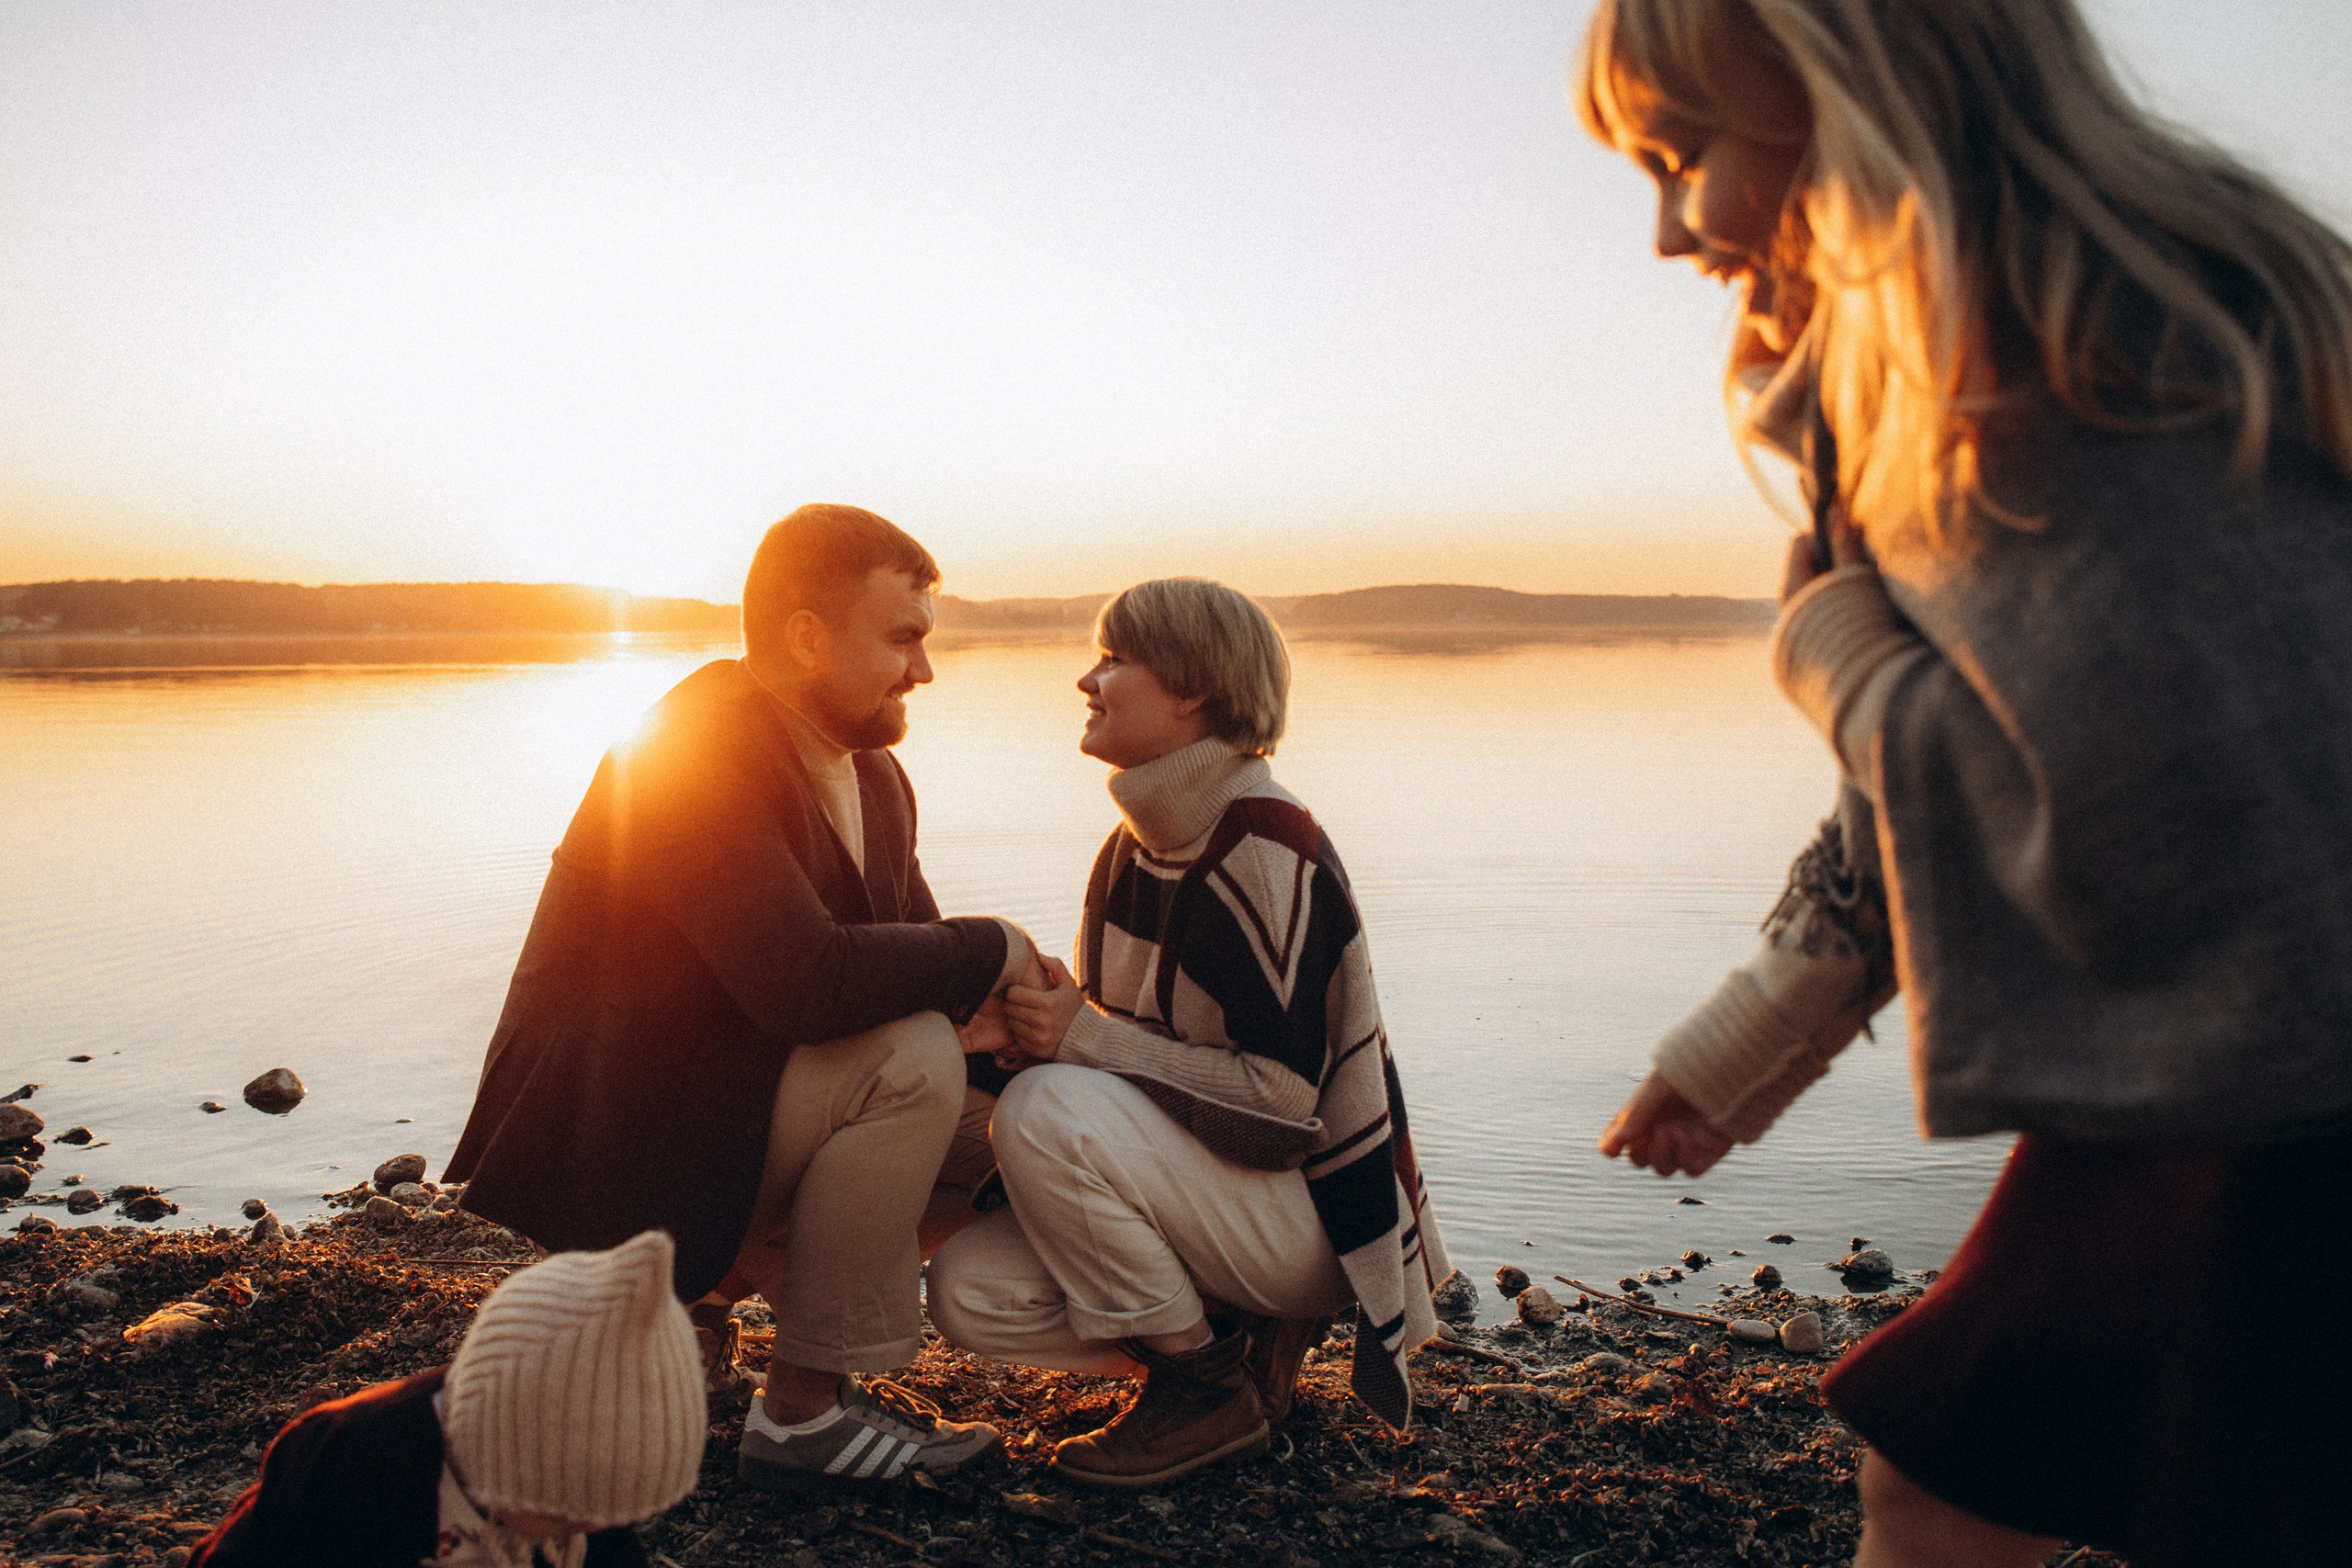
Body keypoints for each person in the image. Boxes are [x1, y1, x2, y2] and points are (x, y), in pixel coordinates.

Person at [1576, 2, 2352, 1564]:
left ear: (1855, 84)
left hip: (2285, 1061)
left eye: (1687, 152)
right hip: (2255, 1042)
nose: (1668, 229)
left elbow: (2148, 817)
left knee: (2012, 1483)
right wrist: (1744, 1048)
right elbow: (1981, 769)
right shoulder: (1983, 339)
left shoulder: (2052, 352)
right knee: (1950, 1470)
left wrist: (1832, 655)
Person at [444, 503, 1031, 1488]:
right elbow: (809, 982)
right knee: (913, 1065)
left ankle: (701, 1310)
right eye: (903, 638)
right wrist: (998, 947)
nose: (923, 671)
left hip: (738, 1105)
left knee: (1012, 1122)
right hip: (625, 1143)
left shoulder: (876, 776)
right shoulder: (688, 753)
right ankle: (802, 1415)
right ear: (806, 636)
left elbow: (911, 963)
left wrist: (1037, 1038)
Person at [925, 578, 1450, 1489]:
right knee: (968, 1291)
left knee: (1050, 1109)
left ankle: (1200, 1393)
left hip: (1309, 1213)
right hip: (1218, 1195)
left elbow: (1283, 1108)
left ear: (1191, 690)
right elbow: (1125, 1061)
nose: (1087, 679)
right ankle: (1229, 1351)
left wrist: (1079, 1042)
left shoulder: (1260, 844)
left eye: (1113, 657)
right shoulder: (1133, 846)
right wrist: (1025, 1038)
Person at [189, 1229, 702, 1567]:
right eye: (567, 1519)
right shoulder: (349, 1460)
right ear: (496, 1460)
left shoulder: (581, 1474)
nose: (591, 1527)